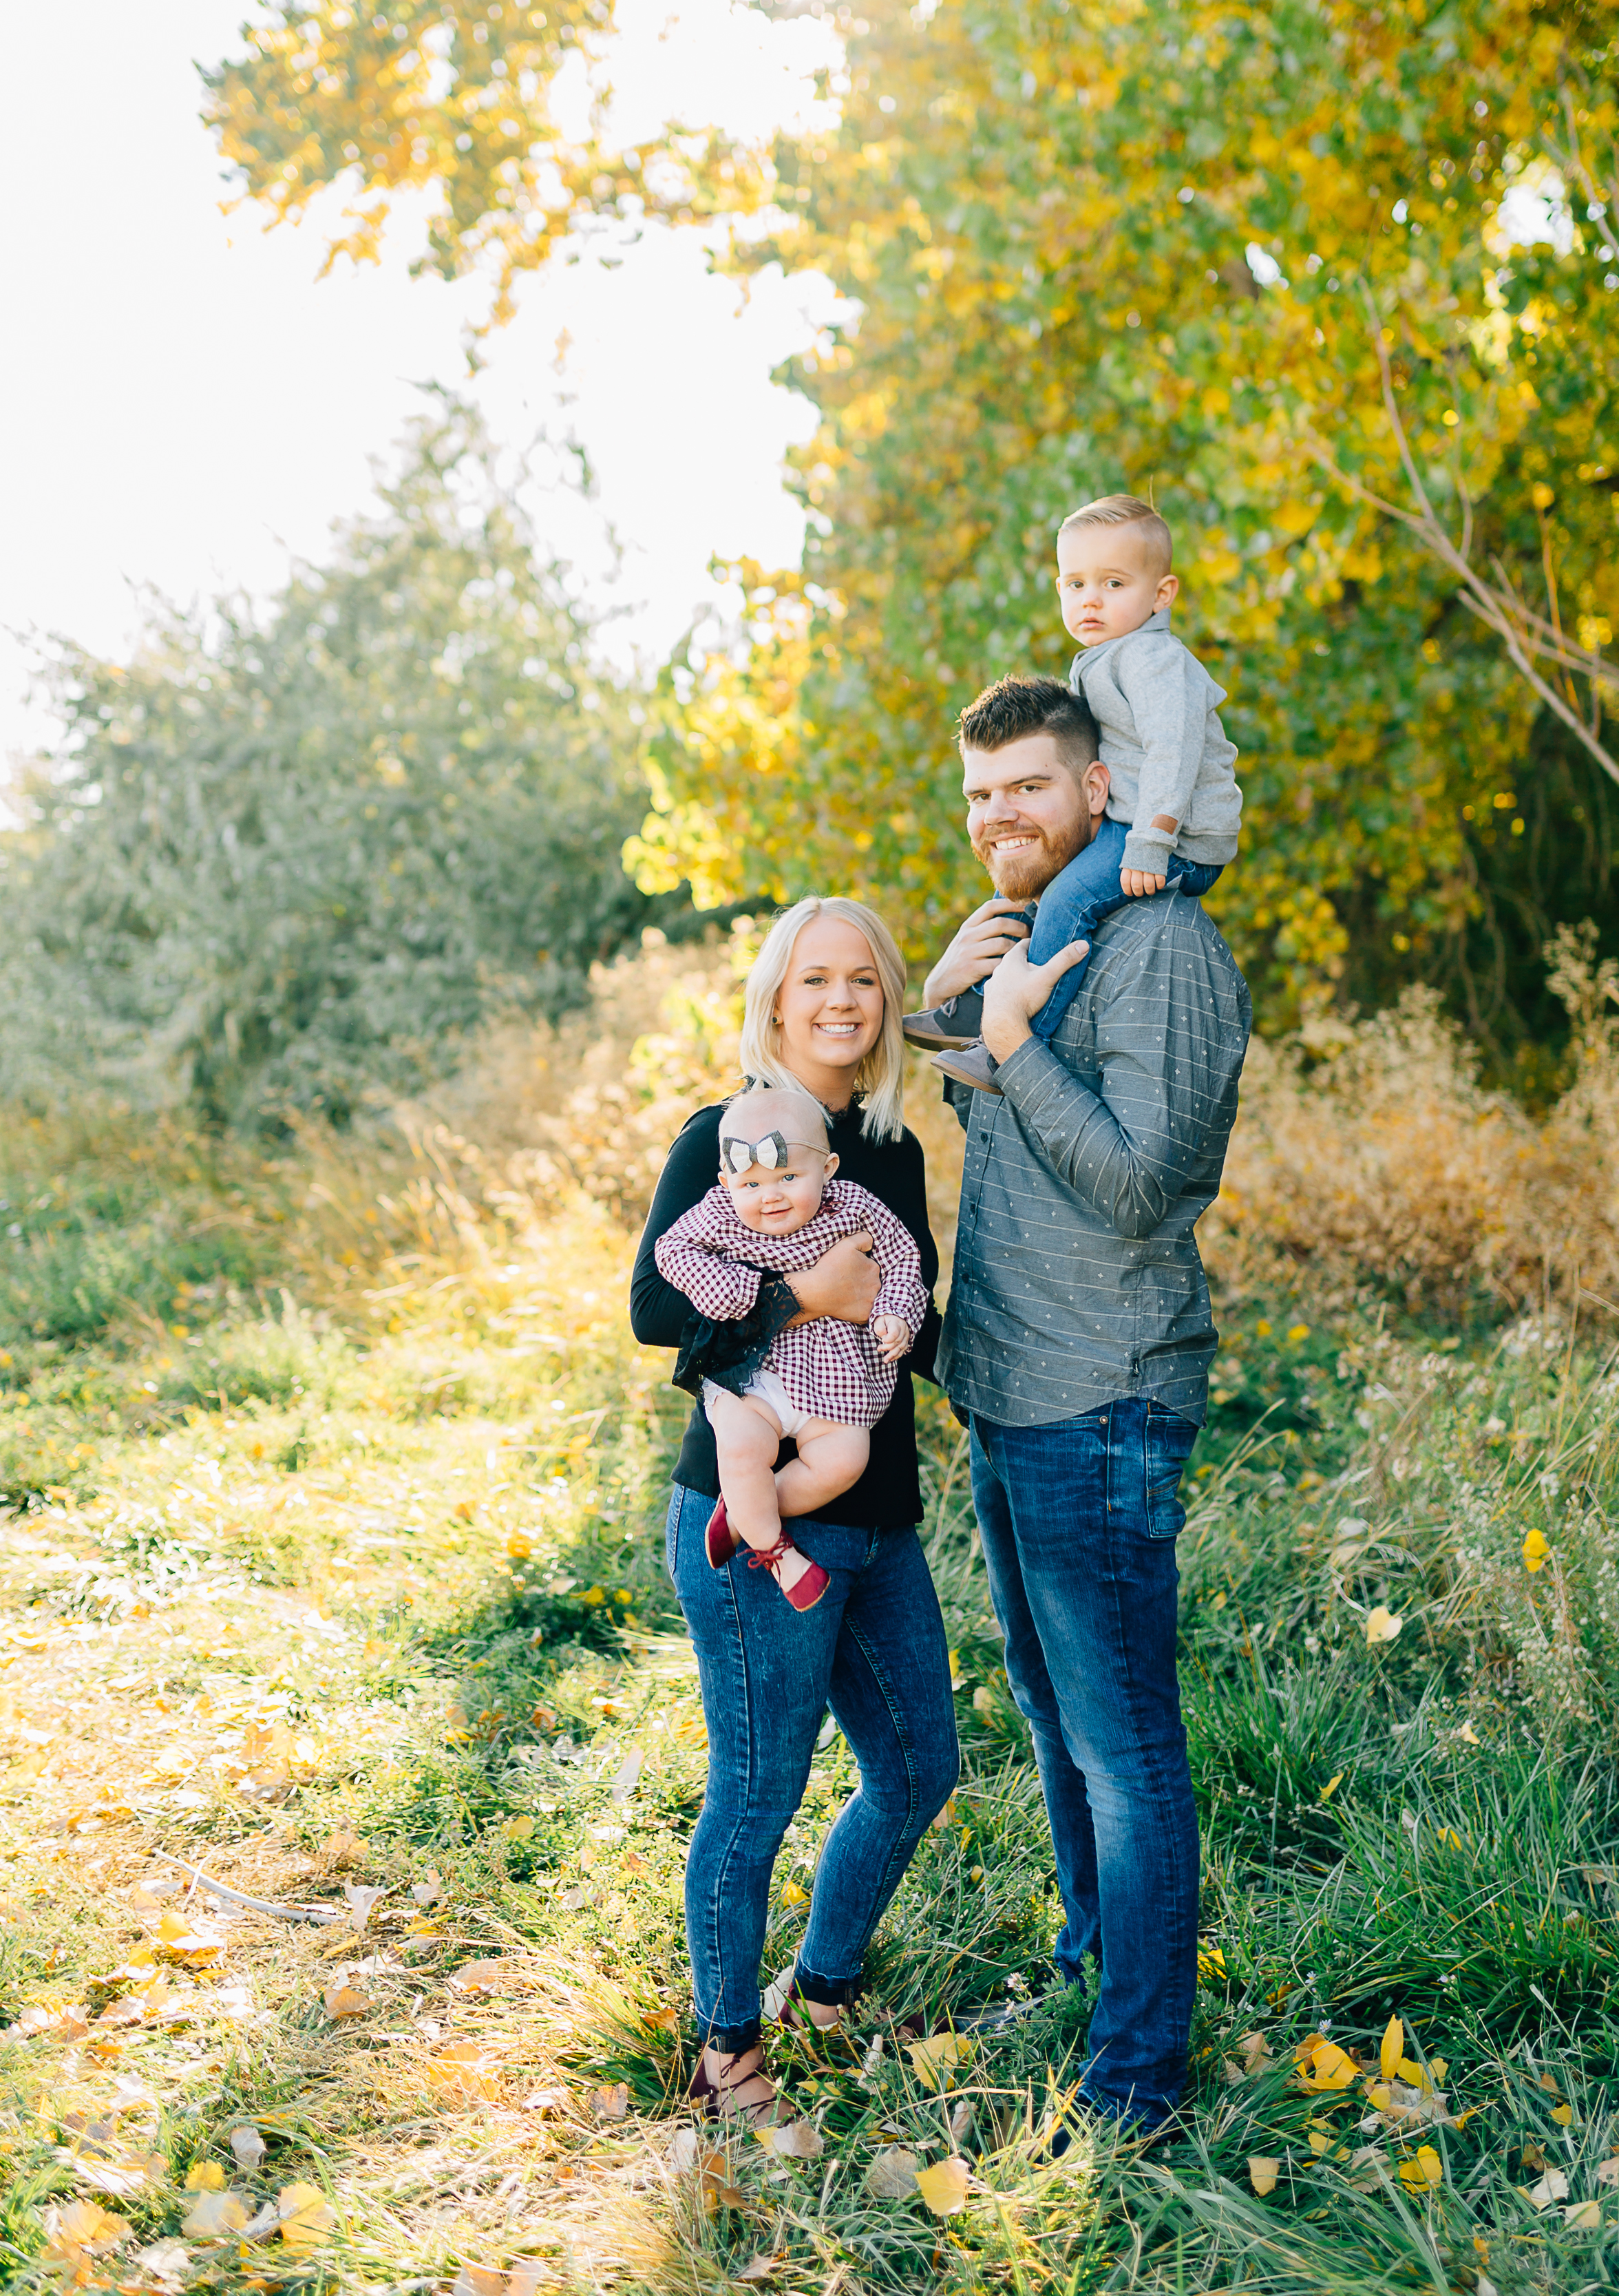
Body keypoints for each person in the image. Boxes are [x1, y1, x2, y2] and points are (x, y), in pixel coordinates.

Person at [922, 674, 1251, 2141]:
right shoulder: (1031, 936)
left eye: (1028, 789)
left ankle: (1138, 2074)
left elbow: (1145, 1184)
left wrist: (1008, 1046)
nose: (1002, 816)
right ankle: (1091, 1967)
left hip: (1102, 1393)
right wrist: (957, 1001)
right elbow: (966, 1101)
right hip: (1006, 1383)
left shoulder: (1159, 947)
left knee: (1123, 1742)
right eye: (982, 794)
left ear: (1098, 788)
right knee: (1056, 1716)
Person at [631, 897, 957, 2125]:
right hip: (753, 1511)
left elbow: (910, 1315)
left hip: (877, 1510)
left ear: (884, 1004)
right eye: (813, 980)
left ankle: (820, 1990)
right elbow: (654, 1309)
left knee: (920, 1766)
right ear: (775, 1000)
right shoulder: (722, 1135)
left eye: (862, 982)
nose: (838, 1001)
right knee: (758, 1792)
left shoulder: (890, 1150)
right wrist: (799, 1304)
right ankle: (728, 2056)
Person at [904, 492, 1242, 1094]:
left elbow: (1175, 750)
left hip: (1175, 838)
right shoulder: (1101, 657)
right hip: (1133, 825)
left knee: (1065, 902)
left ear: (1161, 594)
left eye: (1113, 583)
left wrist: (1151, 840)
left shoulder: (1154, 660)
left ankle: (1001, 1043)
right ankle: (972, 1004)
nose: (1090, 599)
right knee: (1044, 902)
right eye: (1074, 584)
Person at [653, 1081, 926, 1612]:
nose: (770, 1195)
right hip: (754, 1374)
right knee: (741, 1446)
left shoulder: (856, 1206)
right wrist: (734, 1290)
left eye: (788, 1177)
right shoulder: (719, 1212)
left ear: (829, 1169)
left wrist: (896, 1312)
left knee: (844, 1461)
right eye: (750, 1183)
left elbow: (903, 1262)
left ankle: (743, 1513)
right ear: (726, 1181)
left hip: (837, 1376)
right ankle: (777, 1552)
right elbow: (672, 1250)